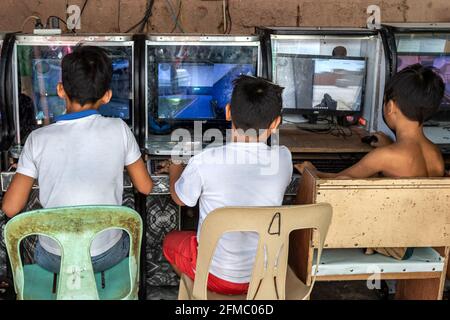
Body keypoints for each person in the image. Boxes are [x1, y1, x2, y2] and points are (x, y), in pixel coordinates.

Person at [2, 46, 153, 273]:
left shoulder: (37, 139)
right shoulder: (120, 129)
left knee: (37, 245)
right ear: (107, 95)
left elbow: (11, 208)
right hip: (106, 256)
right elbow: (145, 186)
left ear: (61, 90)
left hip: (55, 259)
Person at [296, 63, 445, 260]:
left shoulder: (387, 156)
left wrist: (312, 171)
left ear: (390, 106)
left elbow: (341, 181)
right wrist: (388, 146)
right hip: (420, 236)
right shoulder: (435, 154)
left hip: (394, 242)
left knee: (312, 197)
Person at [162, 75, 293, 295]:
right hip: (266, 273)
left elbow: (181, 199)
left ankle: (201, 292)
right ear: (276, 123)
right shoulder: (284, 159)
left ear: (228, 111)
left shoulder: (204, 160)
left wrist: (175, 167)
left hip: (217, 275)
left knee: (170, 241)